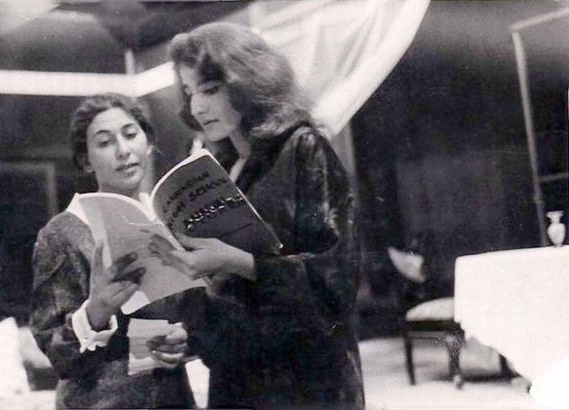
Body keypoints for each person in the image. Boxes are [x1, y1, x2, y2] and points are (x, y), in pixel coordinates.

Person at [155, 22, 365, 409]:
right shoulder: (220, 169)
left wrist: (239, 262)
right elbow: (232, 302)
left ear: (248, 82)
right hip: (238, 379)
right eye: (189, 91)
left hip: (306, 382)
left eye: (209, 89)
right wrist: (192, 329)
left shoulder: (303, 147)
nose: (197, 107)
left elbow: (337, 280)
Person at [30, 93, 195, 409]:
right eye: (105, 142)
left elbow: (191, 317)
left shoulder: (168, 220)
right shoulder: (62, 233)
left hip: (174, 399)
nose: (123, 150)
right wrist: (96, 311)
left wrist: (183, 339)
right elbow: (56, 354)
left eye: (130, 134)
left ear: (147, 142)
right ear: (86, 160)